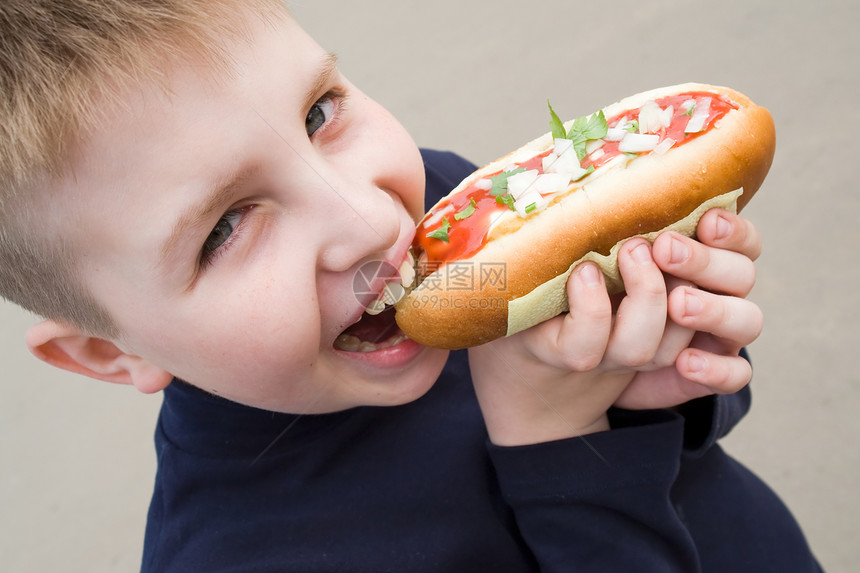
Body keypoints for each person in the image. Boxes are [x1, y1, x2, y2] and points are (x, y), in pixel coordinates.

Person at [0, 1, 822, 571]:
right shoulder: (244, 554)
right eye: (225, 227)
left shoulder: (446, 210)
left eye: (320, 112)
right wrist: (557, 438)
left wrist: (664, 374)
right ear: (107, 352)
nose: (367, 217)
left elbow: (695, 449)